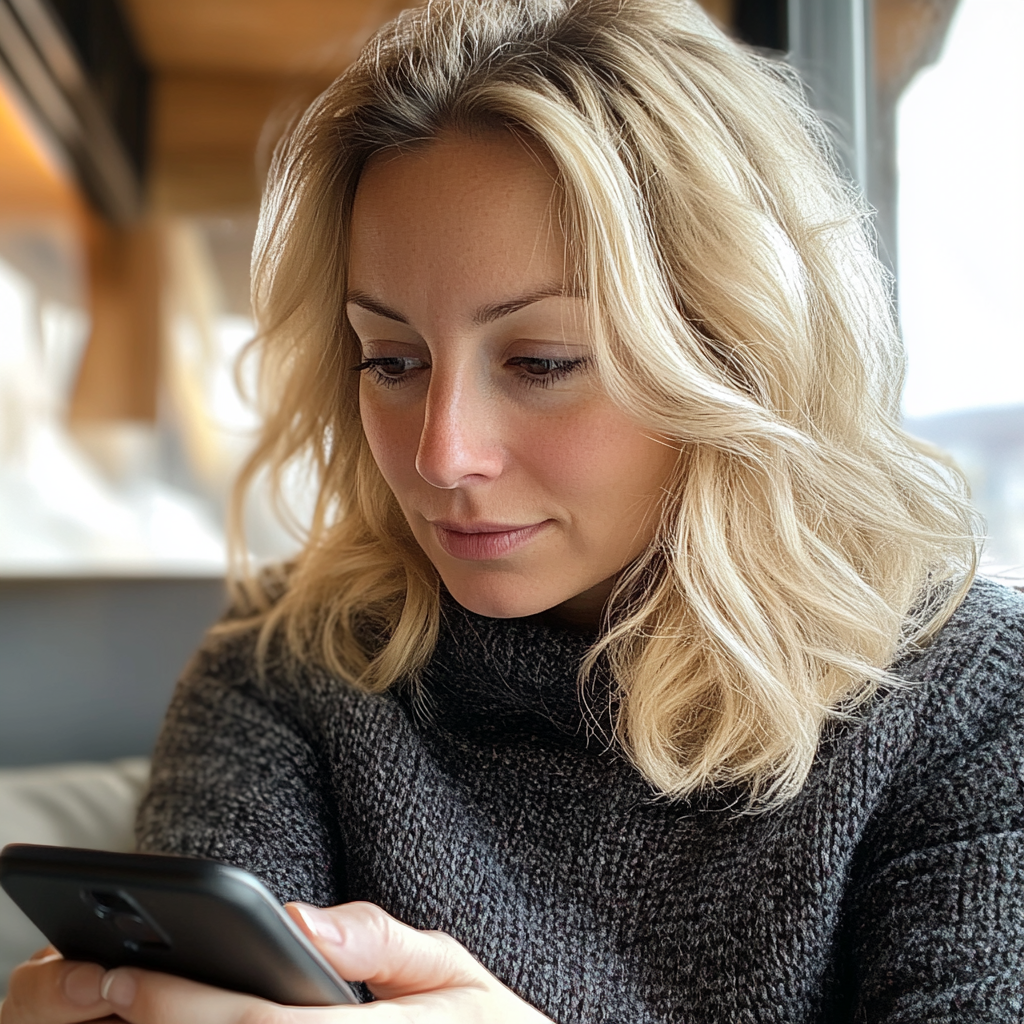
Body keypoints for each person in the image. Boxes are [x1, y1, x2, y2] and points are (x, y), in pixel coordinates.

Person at [5, 0, 1022, 1021]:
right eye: (392, 362)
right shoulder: (288, 669)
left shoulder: (969, 706)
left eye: (542, 362)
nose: (443, 453)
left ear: (734, 355)